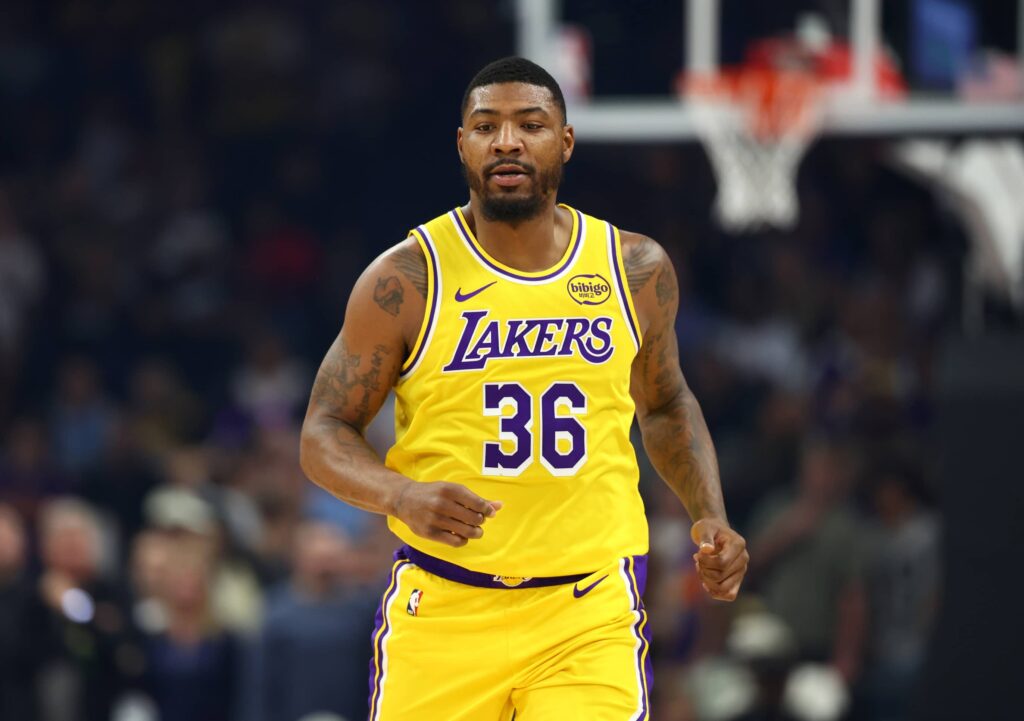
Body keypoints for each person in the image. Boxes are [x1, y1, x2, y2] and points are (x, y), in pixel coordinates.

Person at [299, 56, 748, 720]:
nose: (507, 140)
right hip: (445, 610)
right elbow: (321, 431)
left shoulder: (633, 269)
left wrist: (709, 512)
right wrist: (400, 492)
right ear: (463, 145)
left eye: (530, 124)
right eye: (487, 126)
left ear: (564, 141)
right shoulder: (408, 280)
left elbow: (666, 402)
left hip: (585, 613)